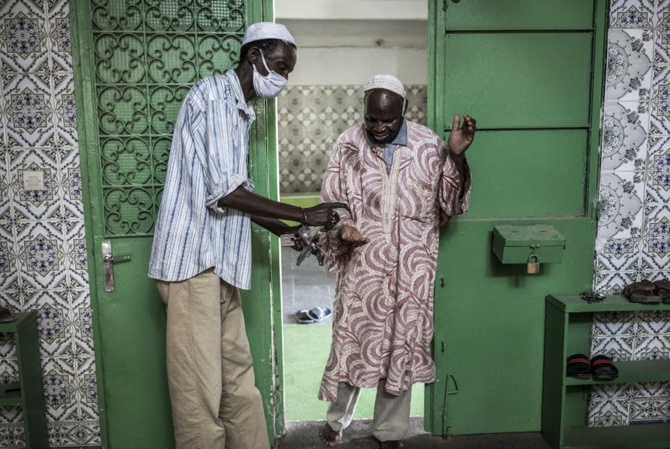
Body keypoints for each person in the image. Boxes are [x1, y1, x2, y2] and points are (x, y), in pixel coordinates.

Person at [148, 22, 346, 449]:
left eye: (288, 71)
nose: (282, 79)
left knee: (238, 383)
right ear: (254, 56)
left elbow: (236, 191)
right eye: (279, 66)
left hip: (218, 266)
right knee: (199, 395)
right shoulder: (216, 99)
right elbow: (226, 191)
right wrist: (302, 214)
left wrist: (287, 228)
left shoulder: (239, 108)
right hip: (191, 267)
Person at [317, 74, 476, 449]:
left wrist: (456, 155)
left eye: (388, 119)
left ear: (404, 110)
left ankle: (389, 431)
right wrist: (344, 228)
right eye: (372, 118)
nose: (379, 127)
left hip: (413, 265)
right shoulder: (348, 144)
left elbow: (451, 205)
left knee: (399, 349)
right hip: (363, 263)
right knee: (353, 342)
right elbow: (332, 198)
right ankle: (336, 421)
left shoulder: (430, 145)